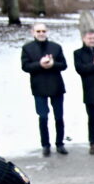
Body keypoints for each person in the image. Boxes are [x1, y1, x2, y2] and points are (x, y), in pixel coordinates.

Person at [20, 23, 68, 156]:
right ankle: (45, 145)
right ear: (33, 32)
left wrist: (53, 64)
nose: (41, 33)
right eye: (38, 31)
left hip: (56, 86)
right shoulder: (27, 48)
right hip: (39, 87)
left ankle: (60, 143)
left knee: (59, 117)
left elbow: (64, 65)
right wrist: (39, 64)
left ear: (47, 32)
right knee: (43, 117)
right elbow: (25, 66)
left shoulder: (56, 47)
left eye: (43, 31)